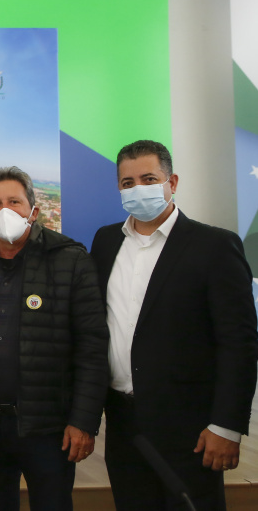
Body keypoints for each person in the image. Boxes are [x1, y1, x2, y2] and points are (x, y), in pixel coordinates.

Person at [90, 140, 258, 510]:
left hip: (191, 426)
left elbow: (239, 343)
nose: (138, 189)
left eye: (149, 178)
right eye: (128, 182)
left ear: (173, 182)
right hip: (123, 422)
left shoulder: (214, 246)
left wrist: (226, 426)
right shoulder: (104, 242)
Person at [0, 166, 109, 511]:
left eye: (15, 201)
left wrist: (83, 420)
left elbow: (93, 346)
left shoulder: (70, 260)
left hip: (49, 428)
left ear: (34, 210)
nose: (5, 210)